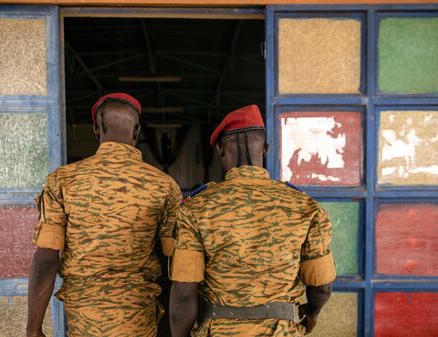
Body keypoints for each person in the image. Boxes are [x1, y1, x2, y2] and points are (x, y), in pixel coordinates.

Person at [169, 104, 336, 337]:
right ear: (265, 150)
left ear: (220, 150)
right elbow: (322, 286)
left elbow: (184, 293)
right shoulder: (305, 207)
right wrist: (312, 312)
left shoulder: (196, 209)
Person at [26, 93, 182, 337]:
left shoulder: (63, 181)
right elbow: (173, 262)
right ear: (136, 131)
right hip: (138, 321)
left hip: (84, 323)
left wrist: (33, 329)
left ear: (97, 129)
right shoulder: (164, 186)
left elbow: (46, 259)